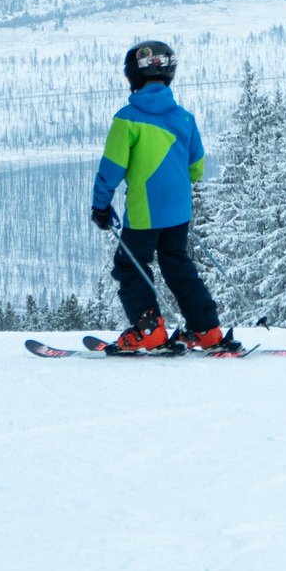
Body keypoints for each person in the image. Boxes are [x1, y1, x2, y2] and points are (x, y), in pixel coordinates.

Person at [89, 40, 232, 353]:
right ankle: (207, 330)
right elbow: (196, 168)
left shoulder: (127, 119)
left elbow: (111, 168)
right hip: (179, 210)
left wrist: (100, 206)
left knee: (130, 264)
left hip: (145, 210)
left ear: (132, 76)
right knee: (177, 265)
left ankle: (149, 331)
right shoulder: (184, 118)